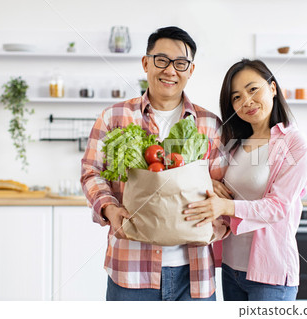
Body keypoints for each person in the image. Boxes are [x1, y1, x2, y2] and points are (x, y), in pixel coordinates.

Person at [81, 26, 228, 301]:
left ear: (190, 70)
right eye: (161, 60)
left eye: (180, 63)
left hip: (193, 274)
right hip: (130, 270)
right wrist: (110, 210)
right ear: (145, 63)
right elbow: (91, 172)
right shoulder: (114, 116)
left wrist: (216, 226)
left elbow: (225, 191)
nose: (170, 70)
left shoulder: (209, 124)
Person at [183, 59, 307, 301]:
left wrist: (226, 206)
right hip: (231, 269)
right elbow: (213, 183)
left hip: (270, 276)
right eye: (236, 97)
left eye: (253, 89)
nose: (246, 101)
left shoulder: (293, 143)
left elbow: (278, 207)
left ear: (273, 88)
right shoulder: (234, 143)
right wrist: (209, 184)